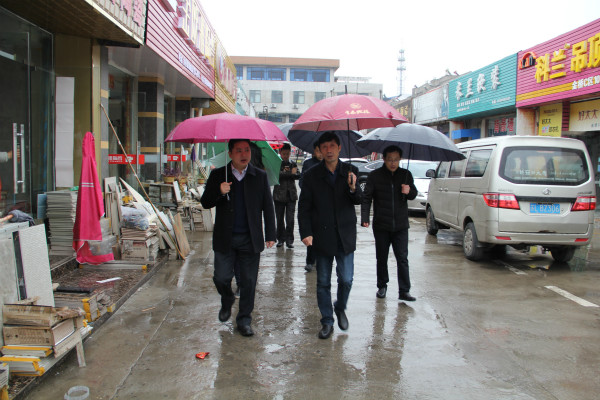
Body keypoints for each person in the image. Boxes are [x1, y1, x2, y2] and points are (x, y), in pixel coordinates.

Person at [200, 139, 276, 337]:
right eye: (239, 150)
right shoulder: (219, 175)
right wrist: (219, 191)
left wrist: (271, 234)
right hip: (225, 238)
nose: (244, 154)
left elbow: (268, 206)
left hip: (250, 238)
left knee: (249, 282)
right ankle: (227, 299)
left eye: (247, 150)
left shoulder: (259, 176)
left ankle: (244, 320)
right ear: (230, 154)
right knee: (221, 277)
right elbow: (205, 202)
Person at [298, 131, 362, 339]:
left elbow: (359, 199)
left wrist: (353, 188)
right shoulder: (311, 175)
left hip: (344, 235)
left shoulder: (350, 171)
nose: (329, 150)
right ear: (320, 150)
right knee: (323, 282)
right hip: (322, 235)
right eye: (324, 147)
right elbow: (304, 207)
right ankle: (327, 320)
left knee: (346, 279)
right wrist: (306, 232)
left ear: (339, 148)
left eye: (332, 146)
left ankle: (340, 306)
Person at [361, 145, 418, 302]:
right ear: (384, 159)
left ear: (400, 159)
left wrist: (409, 191)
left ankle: (404, 290)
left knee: (402, 258)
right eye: (390, 159)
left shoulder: (406, 175)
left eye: (396, 160)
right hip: (381, 224)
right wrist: (365, 217)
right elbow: (367, 198)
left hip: (401, 225)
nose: (393, 163)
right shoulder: (375, 176)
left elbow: (413, 194)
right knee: (382, 257)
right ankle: (382, 286)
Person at [298, 142, 323, 272]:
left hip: (323, 205)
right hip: (311, 203)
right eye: (318, 151)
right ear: (314, 151)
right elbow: (301, 181)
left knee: (322, 234)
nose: (321, 154)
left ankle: (321, 259)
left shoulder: (327, 164)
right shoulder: (308, 164)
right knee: (311, 233)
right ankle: (310, 261)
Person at [272, 143, 300, 249]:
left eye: (287, 154)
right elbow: (276, 175)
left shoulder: (293, 163)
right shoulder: (277, 163)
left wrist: (294, 174)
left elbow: (298, 175)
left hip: (291, 195)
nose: (285, 156)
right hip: (279, 195)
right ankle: (280, 239)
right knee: (279, 219)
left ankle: (289, 240)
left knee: (290, 219)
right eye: (284, 154)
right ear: (280, 153)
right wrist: (290, 174)